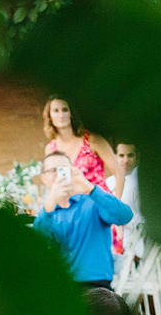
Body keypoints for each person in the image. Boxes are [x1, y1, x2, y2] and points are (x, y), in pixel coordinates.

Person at [34, 150, 133, 291]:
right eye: (52, 171)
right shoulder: (47, 212)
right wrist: (49, 204)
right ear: (43, 178)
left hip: (95, 286)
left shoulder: (92, 201)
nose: (58, 175)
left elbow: (125, 216)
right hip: (62, 286)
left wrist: (90, 188)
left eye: (63, 169)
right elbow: (36, 244)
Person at [43, 97, 124, 252]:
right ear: (50, 117)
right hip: (70, 213)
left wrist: (115, 205)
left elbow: (119, 171)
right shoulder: (51, 149)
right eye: (56, 110)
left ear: (72, 113)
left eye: (65, 109)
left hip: (99, 209)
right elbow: (52, 181)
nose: (61, 114)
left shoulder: (92, 140)